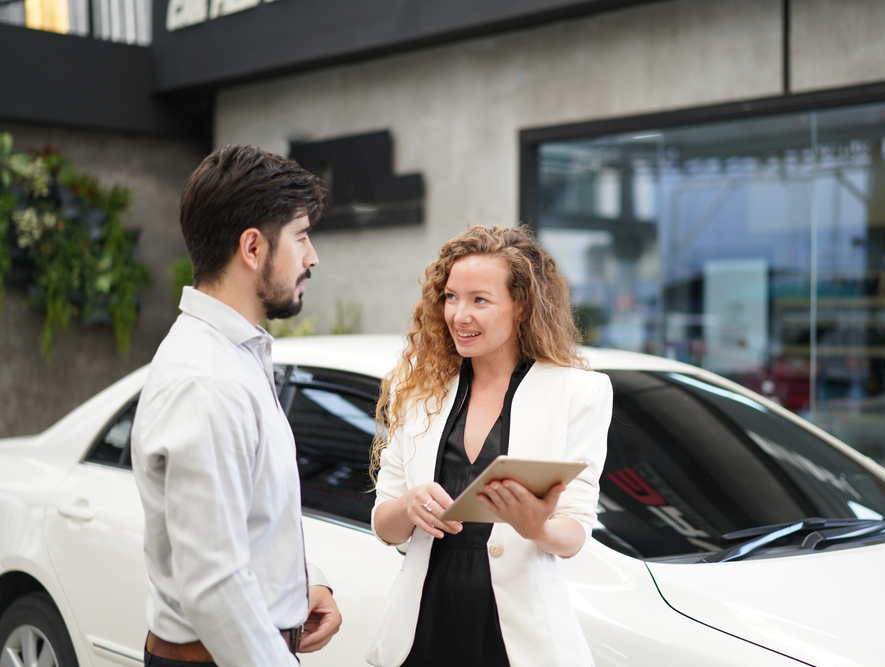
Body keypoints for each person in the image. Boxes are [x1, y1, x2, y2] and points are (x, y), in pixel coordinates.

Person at [131, 145, 342, 667]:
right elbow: (213, 582)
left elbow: (244, 522)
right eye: (301, 237)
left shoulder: (234, 354)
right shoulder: (208, 379)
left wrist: (300, 587)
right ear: (252, 247)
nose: (312, 258)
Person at [367, 225, 613, 667]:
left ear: (521, 306)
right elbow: (385, 528)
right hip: (422, 627)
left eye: (480, 300)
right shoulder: (417, 391)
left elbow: (575, 529)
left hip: (517, 639)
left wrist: (536, 526)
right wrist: (408, 507)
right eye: (451, 297)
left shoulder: (579, 393)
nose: (460, 314)